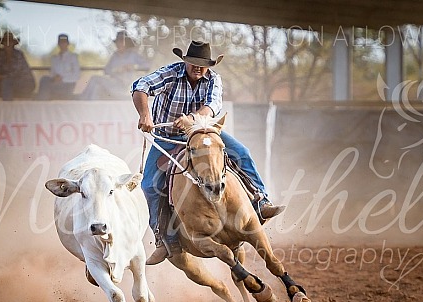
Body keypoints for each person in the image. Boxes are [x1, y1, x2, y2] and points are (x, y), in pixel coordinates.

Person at [131, 40, 285, 265]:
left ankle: (260, 201)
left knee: (241, 152)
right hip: (167, 138)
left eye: (203, 64)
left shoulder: (213, 80)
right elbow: (141, 87)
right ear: (186, 61)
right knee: (149, 185)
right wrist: (145, 115)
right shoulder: (171, 74)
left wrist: (191, 119)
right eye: (193, 63)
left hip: (204, 132)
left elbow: (212, 107)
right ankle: (164, 239)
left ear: (210, 65)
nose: (198, 67)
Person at [78, 30, 149, 100]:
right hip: (114, 84)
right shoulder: (114, 56)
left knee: (95, 79)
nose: (119, 44)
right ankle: (86, 102)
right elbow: (106, 70)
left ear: (126, 43)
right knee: (96, 84)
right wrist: (116, 70)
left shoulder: (133, 55)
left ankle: (82, 99)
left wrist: (134, 67)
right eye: (118, 42)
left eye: (121, 41)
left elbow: (147, 66)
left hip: (126, 87)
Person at [36, 33, 81, 100]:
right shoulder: (54, 58)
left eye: (64, 42)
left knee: (46, 86)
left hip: (67, 85)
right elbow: (52, 73)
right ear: (58, 44)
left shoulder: (73, 57)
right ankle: (42, 102)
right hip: (55, 84)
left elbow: (76, 75)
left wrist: (62, 79)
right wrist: (54, 78)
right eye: (61, 42)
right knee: (44, 79)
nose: (62, 44)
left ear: (68, 44)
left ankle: (41, 103)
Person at [0, 32, 35, 101]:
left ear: (13, 44)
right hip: (10, 82)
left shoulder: (18, 54)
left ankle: (7, 107)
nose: (7, 44)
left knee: (6, 82)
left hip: (26, 82)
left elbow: (17, 72)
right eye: (5, 42)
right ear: (3, 44)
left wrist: (1, 77)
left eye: (10, 42)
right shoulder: (0, 55)